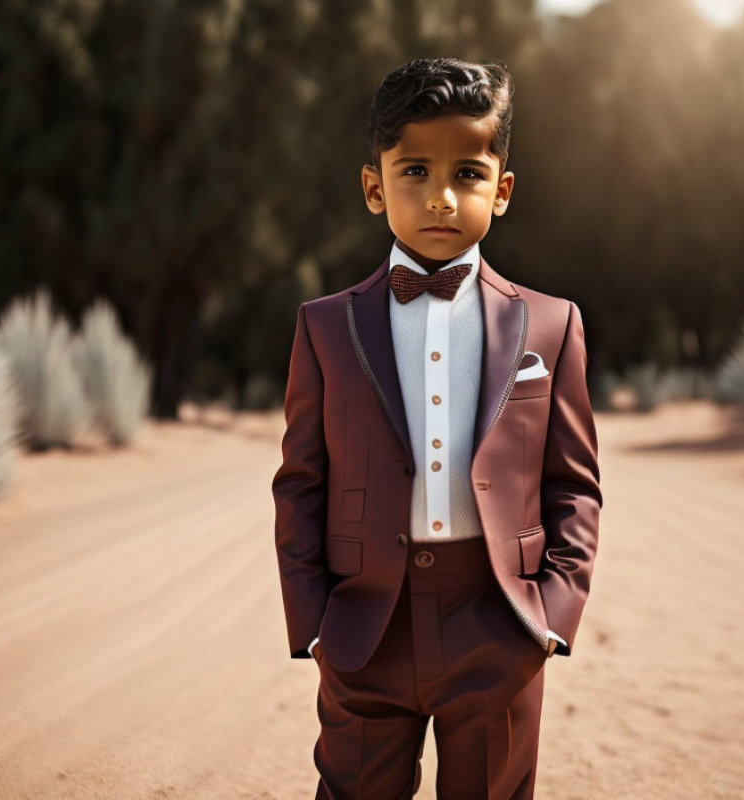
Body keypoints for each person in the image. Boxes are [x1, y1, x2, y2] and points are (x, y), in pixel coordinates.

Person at [271, 56, 603, 799]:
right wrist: (316, 622)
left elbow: (574, 485)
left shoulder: (550, 325)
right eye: (414, 171)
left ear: (503, 189)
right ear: (373, 186)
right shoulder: (326, 327)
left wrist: (551, 613)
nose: (442, 197)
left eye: (468, 174)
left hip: (498, 621)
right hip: (364, 626)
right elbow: (300, 481)